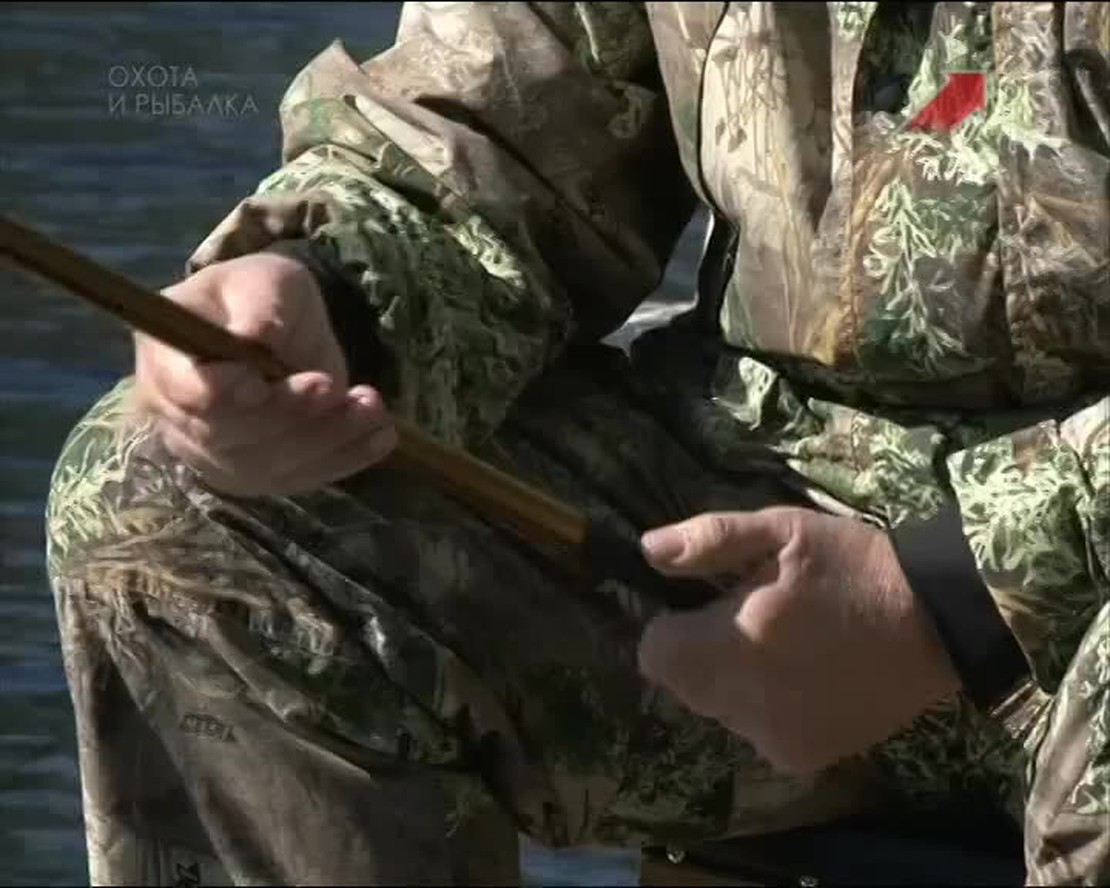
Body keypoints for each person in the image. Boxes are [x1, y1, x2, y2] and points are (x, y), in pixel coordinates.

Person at [46, 2, 1108, 885]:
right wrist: (327, 296)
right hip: (763, 536)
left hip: (1078, 591)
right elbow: (494, 121)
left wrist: (951, 590)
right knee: (166, 505)